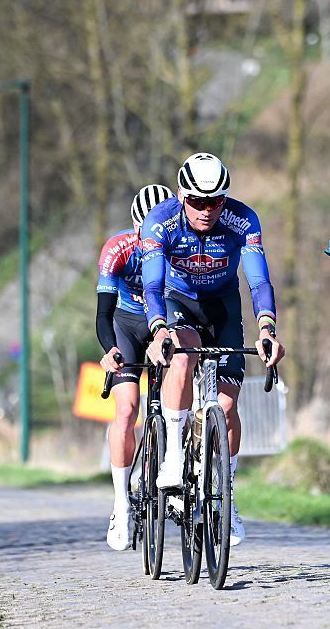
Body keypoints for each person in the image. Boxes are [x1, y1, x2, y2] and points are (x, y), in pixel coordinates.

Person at [141, 152, 285, 547]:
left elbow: (259, 282)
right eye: (197, 202)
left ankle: (226, 494)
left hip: (223, 306)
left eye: (215, 201)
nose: (207, 210)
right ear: (182, 196)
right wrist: (158, 329)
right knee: (183, 356)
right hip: (178, 302)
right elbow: (152, 286)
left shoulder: (243, 219)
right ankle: (173, 456)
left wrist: (267, 328)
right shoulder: (160, 221)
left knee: (227, 405)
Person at [96, 183, 174, 551]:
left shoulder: (180, 245)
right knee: (127, 410)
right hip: (126, 325)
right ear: (135, 226)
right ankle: (121, 503)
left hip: (166, 324)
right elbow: (103, 313)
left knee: (178, 398)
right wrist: (109, 348)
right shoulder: (118, 248)